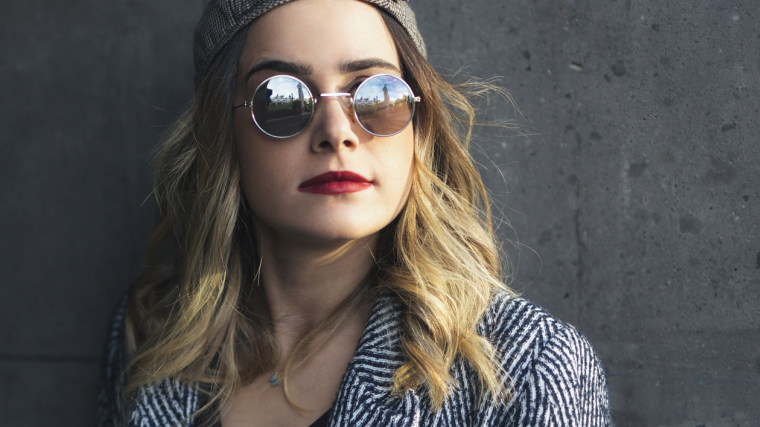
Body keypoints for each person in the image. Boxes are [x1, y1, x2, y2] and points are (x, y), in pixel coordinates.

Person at [97, 0, 613, 425]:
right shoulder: (150, 331)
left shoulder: (530, 368)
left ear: (419, 124)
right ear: (222, 137)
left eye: (376, 94)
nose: (336, 131)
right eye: (283, 99)